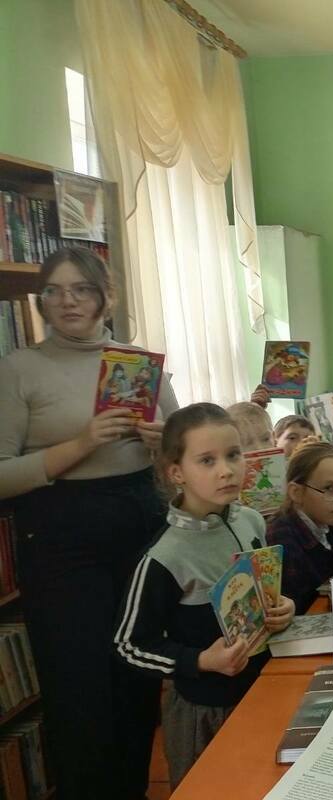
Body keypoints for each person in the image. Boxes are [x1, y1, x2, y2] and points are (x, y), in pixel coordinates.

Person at [0, 246, 178, 799]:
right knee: (78, 683)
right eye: (53, 290)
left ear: (106, 297)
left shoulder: (138, 362)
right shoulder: (19, 368)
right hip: (61, 536)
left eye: (81, 289)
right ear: (41, 301)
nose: (67, 301)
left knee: (136, 675)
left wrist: (163, 443)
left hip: (140, 520)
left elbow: (184, 454)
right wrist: (81, 444)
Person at [114, 403, 295, 789]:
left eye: (233, 455)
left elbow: (265, 593)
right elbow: (130, 645)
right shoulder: (165, 556)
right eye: (207, 461)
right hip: (206, 711)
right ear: (176, 472)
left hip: (263, 690)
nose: (226, 470)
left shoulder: (251, 520)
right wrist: (201, 660)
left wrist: (284, 607)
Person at [266, 440, 333, 613]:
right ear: (296, 492)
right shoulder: (282, 540)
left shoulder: (323, 516)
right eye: (329, 488)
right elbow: (300, 606)